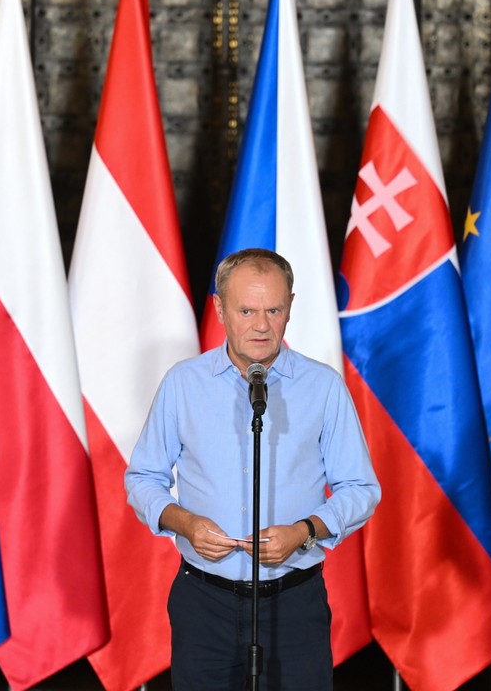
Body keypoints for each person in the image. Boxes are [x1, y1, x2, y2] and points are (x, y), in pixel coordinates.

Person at [125, 248, 380, 690]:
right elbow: (142, 478)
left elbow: (360, 488)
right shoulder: (184, 384)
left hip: (293, 604)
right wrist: (183, 521)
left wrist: (304, 530)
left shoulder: (322, 387)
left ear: (290, 308)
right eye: (246, 310)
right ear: (221, 309)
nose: (262, 325)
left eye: (273, 310)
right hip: (204, 601)